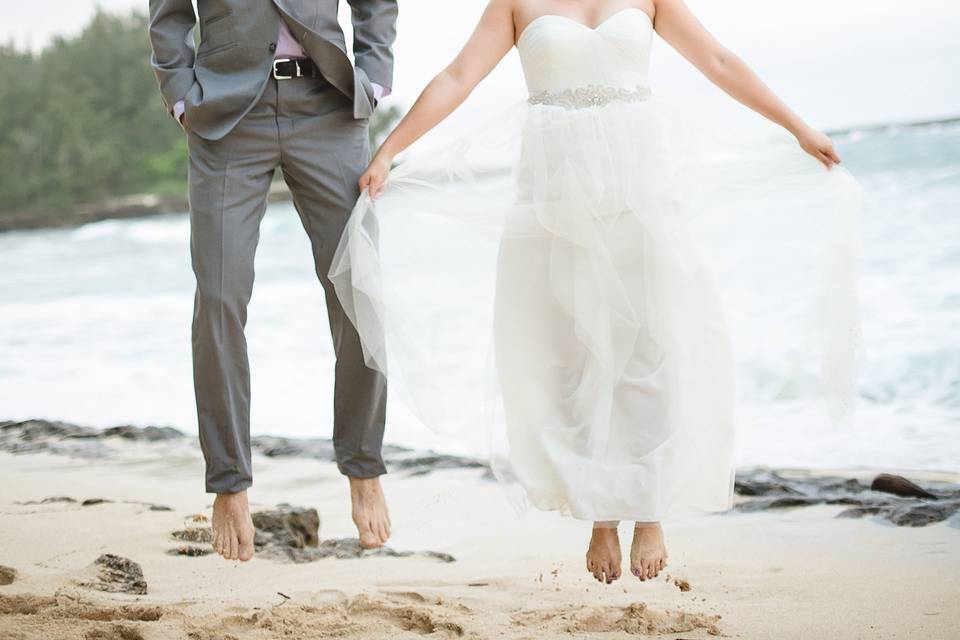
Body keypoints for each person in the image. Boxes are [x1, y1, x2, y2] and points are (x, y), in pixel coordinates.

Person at [331, 0, 863, 585]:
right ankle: (602, 513)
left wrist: (797, 126)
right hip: (555, 194)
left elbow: (715, 58)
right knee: (574, 352)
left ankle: (651, 507)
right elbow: (459, 77)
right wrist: (388, 152)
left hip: (640, 184)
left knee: (653, 343)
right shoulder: (513, 3)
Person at [147, 0, 398, 561]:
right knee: (218, 298)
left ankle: (363, 466)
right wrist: (182, 96)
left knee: (359, 290)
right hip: (226, 116)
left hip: (328, 107)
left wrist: (374, 76)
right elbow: (167, 14)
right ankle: (229, 484)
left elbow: (376, 4)